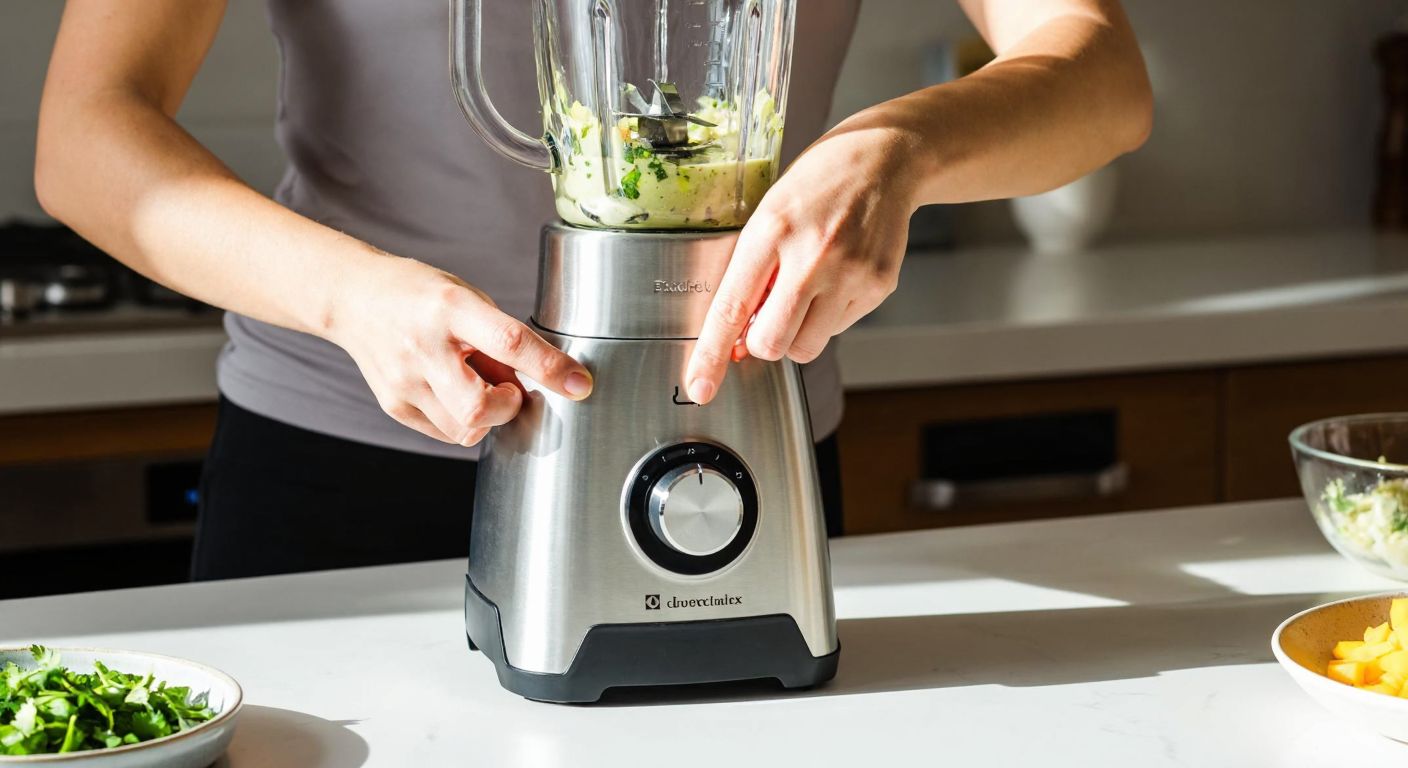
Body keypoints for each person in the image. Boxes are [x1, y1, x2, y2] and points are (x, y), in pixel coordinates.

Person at [35, 1, 1151, 581]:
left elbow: (1099, 72)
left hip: (741, 433)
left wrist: (905, 145)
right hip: (343, 456)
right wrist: (349, 298)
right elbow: (86, 134)